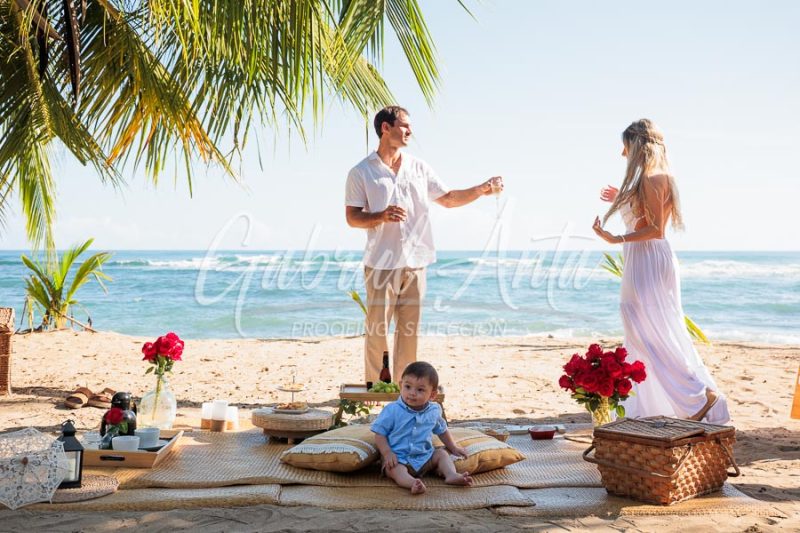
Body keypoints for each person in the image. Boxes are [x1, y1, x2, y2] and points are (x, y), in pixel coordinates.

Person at [345, 105, 503, 382]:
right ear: (386, 128)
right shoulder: (361, 172)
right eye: (404, 125)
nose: (410, 131)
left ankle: (406, 391)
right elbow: (352, 218)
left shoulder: (419, 168)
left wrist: (481, 189)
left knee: (409, 333)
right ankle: (377, 388)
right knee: (377, 331)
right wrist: (381, 216)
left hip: (416, 263)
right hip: (380, 263)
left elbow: (449, 199)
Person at [592, 119, 729, 424]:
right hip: (644, 257)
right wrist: (622, 198)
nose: (622, 153)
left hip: (647, 258)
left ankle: (698, 397)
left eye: (625, 146)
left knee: (649, 332)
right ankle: (664, 404)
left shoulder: (652, 178)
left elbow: (655, 229)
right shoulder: (652, 178)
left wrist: (615, 238)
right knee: (645, 331)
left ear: (637, 145)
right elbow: (644, 218)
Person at [371, 361, 473, 494]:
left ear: (432, 395)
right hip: (399, 458)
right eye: (408, 387)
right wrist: (387, 453)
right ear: (401, 385)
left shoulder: (434, 410)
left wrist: (453, 447)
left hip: (425, 457)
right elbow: (379, 433)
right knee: (393, 469)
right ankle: (412, 483)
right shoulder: (392, 410)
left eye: (420, 390)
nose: (412, 393)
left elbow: (442, 430)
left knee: (441, 454)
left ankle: (451, 475)